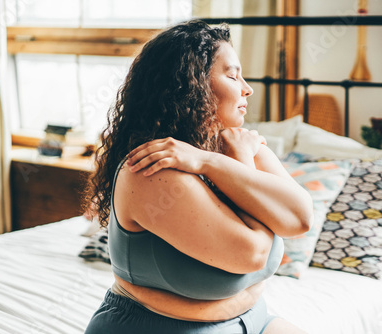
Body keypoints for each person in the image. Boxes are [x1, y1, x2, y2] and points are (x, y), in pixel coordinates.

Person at [84, 20, 313, 334]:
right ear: (191, 84)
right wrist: (234, 164)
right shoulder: (151, 169)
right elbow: (253, 253)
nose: (247, 88)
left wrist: (210, 161)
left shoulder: (236, 143)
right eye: (232, 75)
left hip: (252, 320)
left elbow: (300, 219)